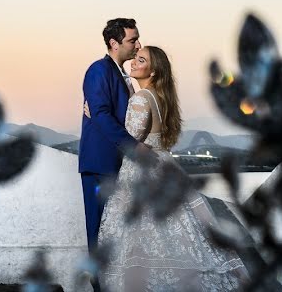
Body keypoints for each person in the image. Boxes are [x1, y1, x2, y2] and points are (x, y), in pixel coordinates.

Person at [97, 46, 249, 291]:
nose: (134, 62)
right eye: (135, 58)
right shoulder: (159, 97)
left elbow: (130, 140)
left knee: (139, 239)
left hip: (143, 171)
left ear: (154, 71)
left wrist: (96, 118)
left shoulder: (140, 99)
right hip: (165, 165)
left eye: (141, 60)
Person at [79, 18, 154, 284]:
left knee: (116, 233)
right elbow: (100, 114)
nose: (138, 45)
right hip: (99, 165)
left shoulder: (124, 78)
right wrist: (134, 147)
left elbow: (110, 115)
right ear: (114, 43)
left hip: (119, 167)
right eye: (132, 40)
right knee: (98, 232)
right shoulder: (98, 70)